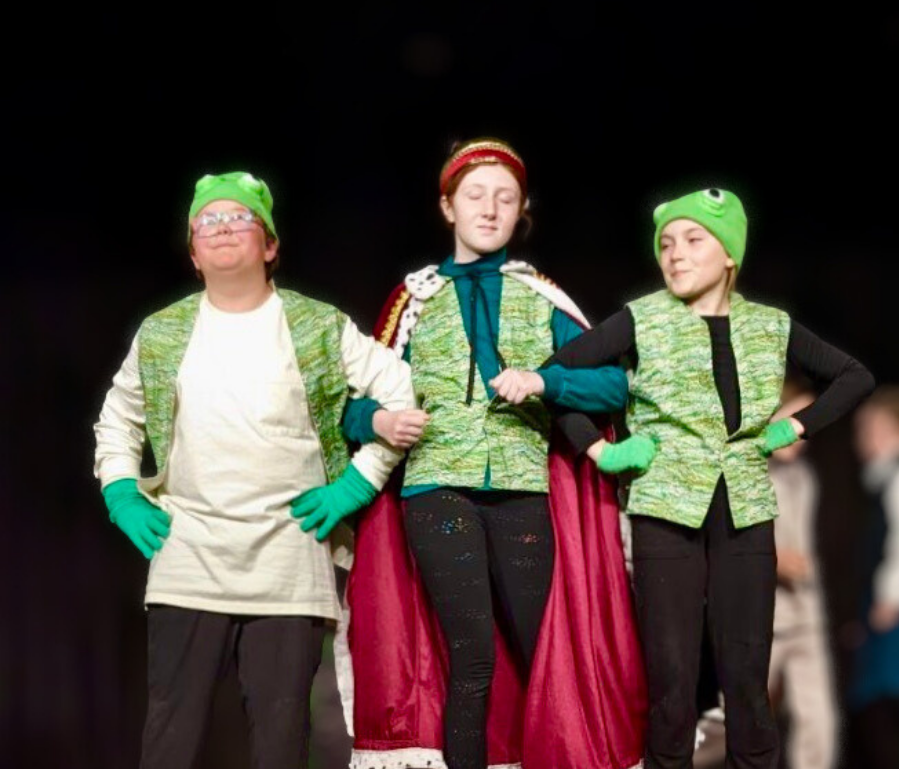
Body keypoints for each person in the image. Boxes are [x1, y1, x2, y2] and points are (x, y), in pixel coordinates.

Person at [501, 187, 874, 769]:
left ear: (729, 254)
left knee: (747, 681)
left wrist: (794, 427)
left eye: (692, 240)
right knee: (671, 683)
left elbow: (854, 377)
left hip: (747, 512)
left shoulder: (770, 326)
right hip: (665, 514)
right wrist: (598, 450)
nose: (675, 253)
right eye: (666, 244)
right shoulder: (641, 319)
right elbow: (553, 378)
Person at [341, 138, 647, 769]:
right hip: (435, 491)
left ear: (520, 211)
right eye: (475, 196)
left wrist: (545, 380)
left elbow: (615, 385)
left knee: (544, 652)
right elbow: (348, 407)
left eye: (505, 199)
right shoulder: (413, 300)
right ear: (448, 207)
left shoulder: (542, 297)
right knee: (473, 655)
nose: (490, 209)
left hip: (521, 492)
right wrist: (384, 417)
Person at [93, 171, 415, 769]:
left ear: (269, 244)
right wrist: (120, 492)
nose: (221, 228)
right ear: (193, 253)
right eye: (206, 222)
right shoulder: (163, 332)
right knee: (171, 736)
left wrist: (356, 483)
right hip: (188, 556)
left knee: (280, 738)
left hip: (288, 562)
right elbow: (118, 419)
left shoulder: (317, 325)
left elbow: (400, 391)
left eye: (237, 218)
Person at [767, 382, 837, 769]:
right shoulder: (750, 474)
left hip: (807, 613)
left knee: (818, 722)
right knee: (733, 720)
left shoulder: (806, 477)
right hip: (765, 617)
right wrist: (775, 560)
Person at [847, 386, 899, 769]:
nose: (863, 438)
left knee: (882, 701)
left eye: (874, 429)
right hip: (875, 606)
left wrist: (890, 596)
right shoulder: (875, 479)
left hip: (890, 608)